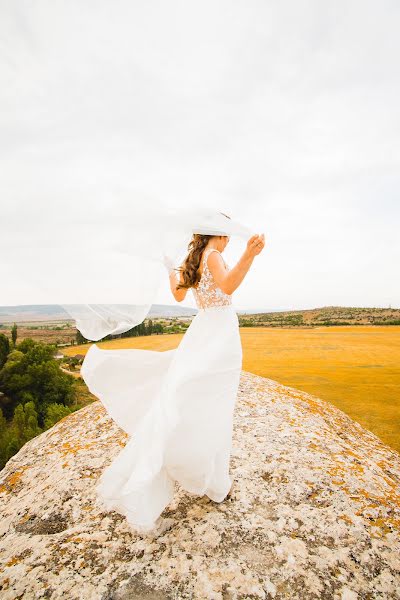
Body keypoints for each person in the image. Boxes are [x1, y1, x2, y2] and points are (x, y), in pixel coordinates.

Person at [81, 222, 265, 534]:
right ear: (217, 233)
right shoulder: (214, 255)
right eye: (228, 235)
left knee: (192, 397)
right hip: (219, 335)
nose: (230, 241)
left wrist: (170, 268)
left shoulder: (195, 259)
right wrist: (250, 255)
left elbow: (177, 294)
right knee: (216, 404)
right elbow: (228, 286)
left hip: (203, 330)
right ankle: (214, 481)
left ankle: (205, 471)